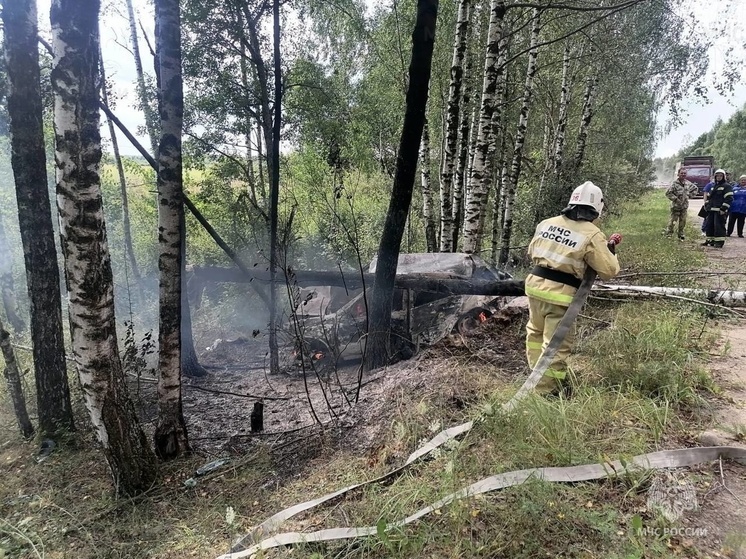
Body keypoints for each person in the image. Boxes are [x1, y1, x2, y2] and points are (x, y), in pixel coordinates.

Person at [525, 181, 621, 396]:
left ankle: (535, 376)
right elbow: (608, 270)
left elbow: (532, 252)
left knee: (535, 335)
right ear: (596, 208)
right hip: (560, 295)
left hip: (534, 288)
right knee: (555, 347)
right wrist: (611, 251)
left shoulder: (546, 223)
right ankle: (546, 393)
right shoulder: (592, 234)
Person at [702, 168, 733, 247]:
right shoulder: (714, 186)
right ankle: (710, 240)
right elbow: (710, 197)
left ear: (724, 177)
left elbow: (729, 198)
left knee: (719, 226)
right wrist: (706, 204)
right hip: (711, 210)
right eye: (717, 175)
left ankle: (719, 242)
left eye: (720, 175)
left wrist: (723, 208)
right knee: (709, 226)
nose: (718, 177)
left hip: (720, 210)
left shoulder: (727, 186)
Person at [664, 168, 698, 240]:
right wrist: (675, 199)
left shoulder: (688, 183)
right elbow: (668, 193)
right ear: (678, 174)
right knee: (673, 221)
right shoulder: (674, 184)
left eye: (684, 173)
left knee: (683, 221)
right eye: (681, 173)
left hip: (684, 206)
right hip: (676, 206)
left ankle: (681, 234)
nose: (683, 174)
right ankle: (669, 234)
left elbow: (695, 189)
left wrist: (690, 195)